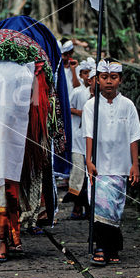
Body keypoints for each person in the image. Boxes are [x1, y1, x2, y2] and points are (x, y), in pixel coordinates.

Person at [83, 59, 140, 267]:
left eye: (113, 77)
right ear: (97, 80)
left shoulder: (128, 105)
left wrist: (134, 164)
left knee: (115, 208)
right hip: (99, 165)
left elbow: (134, 136)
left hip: (120, 165)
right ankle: (101, 247)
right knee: (100, 206)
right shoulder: (91, 106)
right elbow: (88, 134)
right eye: (104, 77)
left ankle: (113, 246)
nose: (109, 82)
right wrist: (88, 161)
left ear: (120, 80)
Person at [63, 58, 94, 219]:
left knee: (90, 175)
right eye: (85, 73)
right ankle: (76, 207)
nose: (88, 77)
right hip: (78, 137)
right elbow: (67, 108)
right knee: (78, 172)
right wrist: (82, 113)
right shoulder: (78, 92)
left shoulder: (99, 96)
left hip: (91, 141)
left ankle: (89, 208)